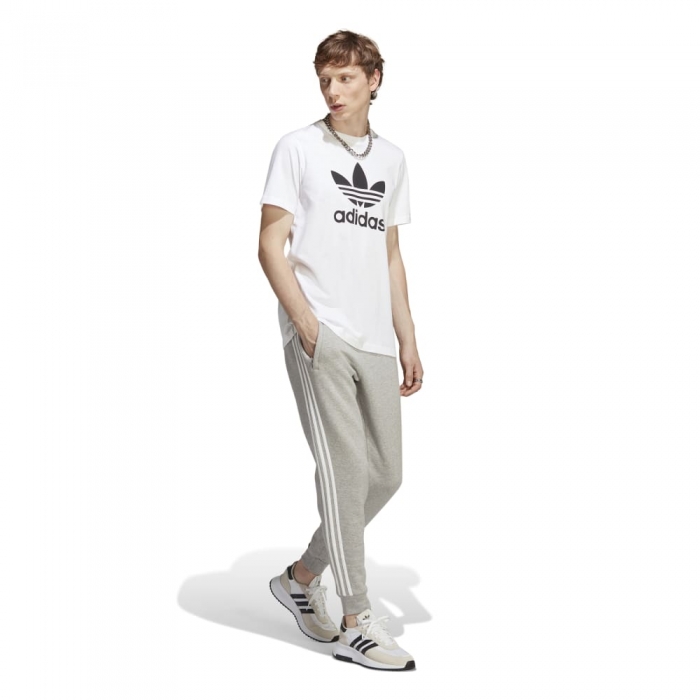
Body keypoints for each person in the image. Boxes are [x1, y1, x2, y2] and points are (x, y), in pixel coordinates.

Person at [258, 29, 423, 672]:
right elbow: (270, 244)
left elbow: (390, 254)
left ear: (374, 80)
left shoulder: (393, 160)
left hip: (375, 335)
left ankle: (301, 578)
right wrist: (305, 322)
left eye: (346, 78)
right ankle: (357, 619)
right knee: (345, 472)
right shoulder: (296, 148)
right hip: (320, 329)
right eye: (325, 79)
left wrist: (407, 335)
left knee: (386, 475)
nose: (333, 90)